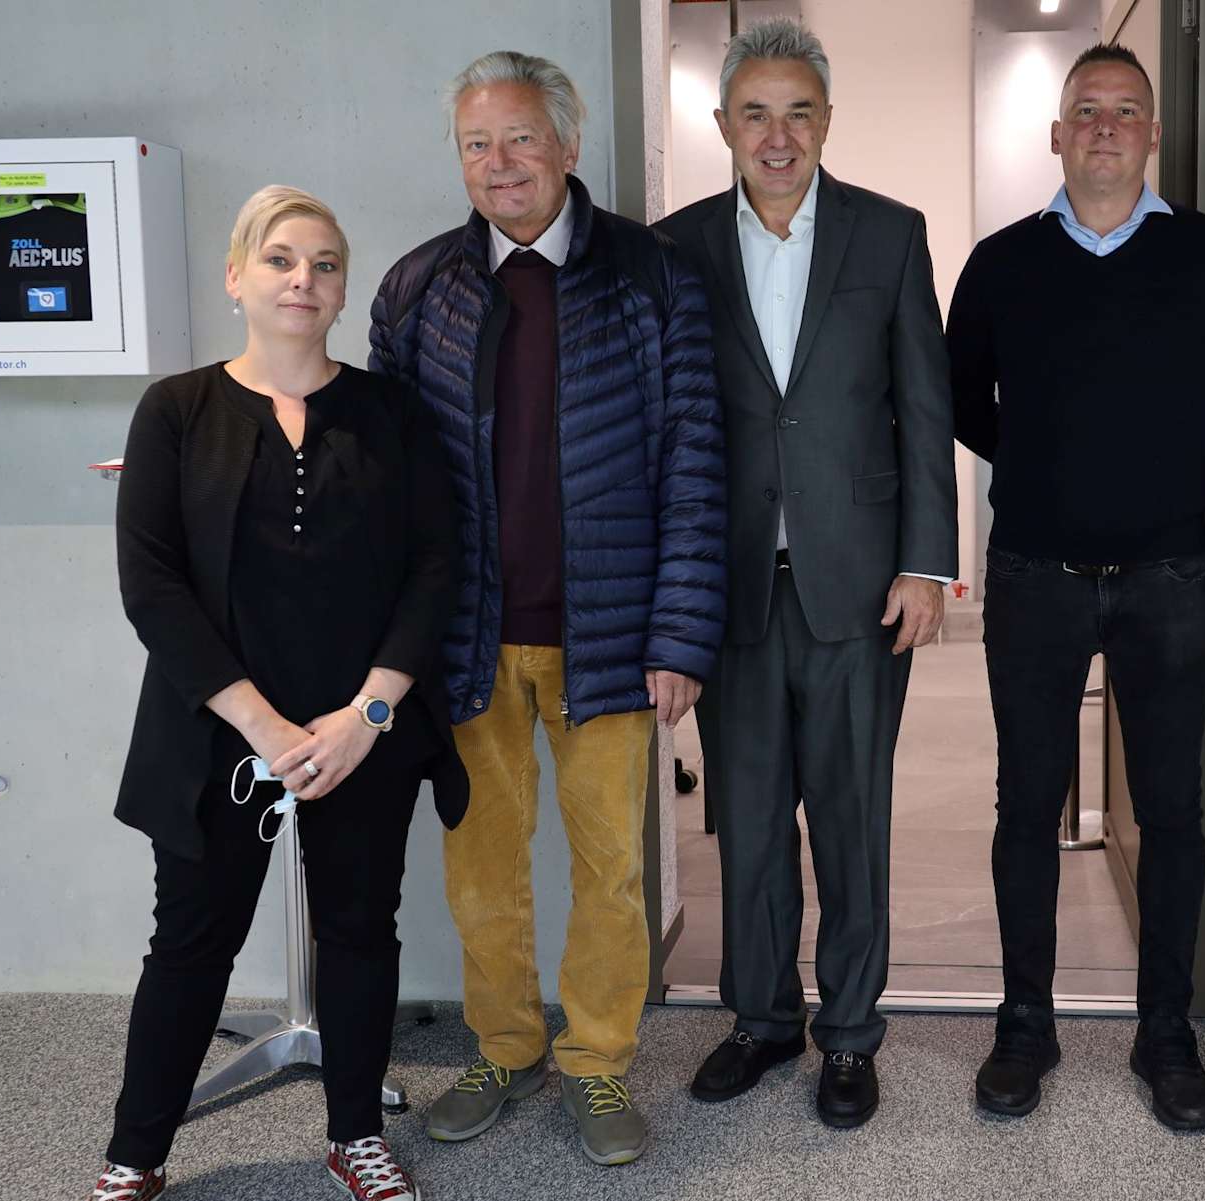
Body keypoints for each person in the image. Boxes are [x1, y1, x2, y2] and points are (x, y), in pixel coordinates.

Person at [369, 50, 724, 1167]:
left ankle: (600, 1063)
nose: (499, 163)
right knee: (482, 866)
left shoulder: (653, 276)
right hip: (469, 638)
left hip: (608, 639)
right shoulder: (420, 286)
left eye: (520, 138)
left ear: (569, 147)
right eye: (477, 144)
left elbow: (693, 463)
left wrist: (678, 635)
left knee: (612, 863)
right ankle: (506, 1044)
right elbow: (385, 469)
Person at [87, 186, 464, 1201]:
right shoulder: (175, 409)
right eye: (281, 259)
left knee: (357, 927)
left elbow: (436, 566)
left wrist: (366, 717)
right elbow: (151, 585)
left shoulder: (392, 412)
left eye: (326, 263)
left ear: (344, 287)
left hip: (360, 735)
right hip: (217, 731)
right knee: (192, 940)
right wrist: (261, 726)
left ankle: (356, 1135)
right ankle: (136, 1154)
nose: (305, 279)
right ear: (236, 274)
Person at [947, 43, 1205, 1130]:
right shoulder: (999, 263)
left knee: (1172, 812)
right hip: (1034, 574)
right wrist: (1048, 466)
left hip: (1168, 577)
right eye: (1084, 109)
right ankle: (1023, 1026)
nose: (1103, 127)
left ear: (1151, 133)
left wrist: (1159, 475)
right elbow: (959, 402)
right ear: (1055, 132)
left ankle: (1164, 1036)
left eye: (1124, 110)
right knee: (1024, 807)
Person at [654, 17, 957, 1129]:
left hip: (859, 577)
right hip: (725, 580)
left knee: (849, 811)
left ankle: (850, 1034)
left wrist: (928, 561)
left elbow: (923, 407)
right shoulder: (674, 244)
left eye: (798, 112)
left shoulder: (888, 233)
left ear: (827, 121)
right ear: (724, 124)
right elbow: (662, 428)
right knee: (744, 810)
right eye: (754, 113)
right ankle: (762, 1018)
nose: (776, 136)